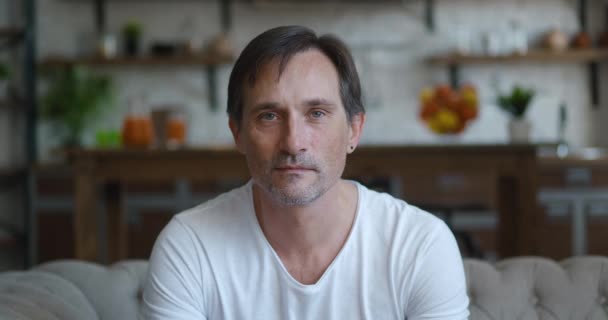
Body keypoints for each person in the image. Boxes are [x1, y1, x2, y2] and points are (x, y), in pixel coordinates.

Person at [142, 25, 469, 319]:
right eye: (269, 116)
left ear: (354, 130)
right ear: (237, 133)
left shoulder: (419, 245)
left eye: (316, 113)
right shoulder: (189, 246)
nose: (294, 142)